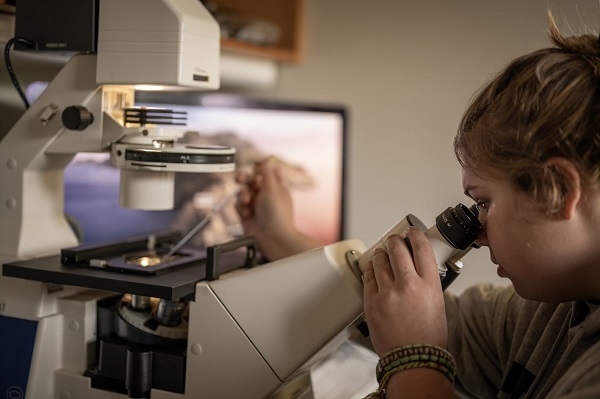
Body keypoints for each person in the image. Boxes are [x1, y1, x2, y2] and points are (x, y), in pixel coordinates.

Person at [235, 13, 600, 399]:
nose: (476, 234)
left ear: (557, 190)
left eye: (484, 202)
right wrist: (277, 234)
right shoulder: (555, 311)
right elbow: (415, 317)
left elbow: (421, 337)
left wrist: (415, 360)